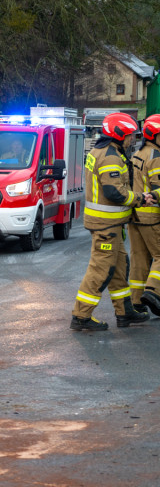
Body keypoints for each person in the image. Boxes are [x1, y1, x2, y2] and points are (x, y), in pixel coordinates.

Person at [71, 112, 154, 331]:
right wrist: (139, 198)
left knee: (118, 269)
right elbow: (114, 192)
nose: (132, 140)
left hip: (111, 225)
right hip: (105, 226)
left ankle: (124, 312)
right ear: (118, 135)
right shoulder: (110, 157)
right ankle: (81, 316)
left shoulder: (102, 151)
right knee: (101, 270)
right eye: (129, 136)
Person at [129, 114, 160, 316]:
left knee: (139, 259)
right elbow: (158, 190)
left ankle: (136, 302)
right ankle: (153, 291)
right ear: (153, 135)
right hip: (150, 217)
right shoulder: (155, 158)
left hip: (134, 216)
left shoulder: (137, 154)